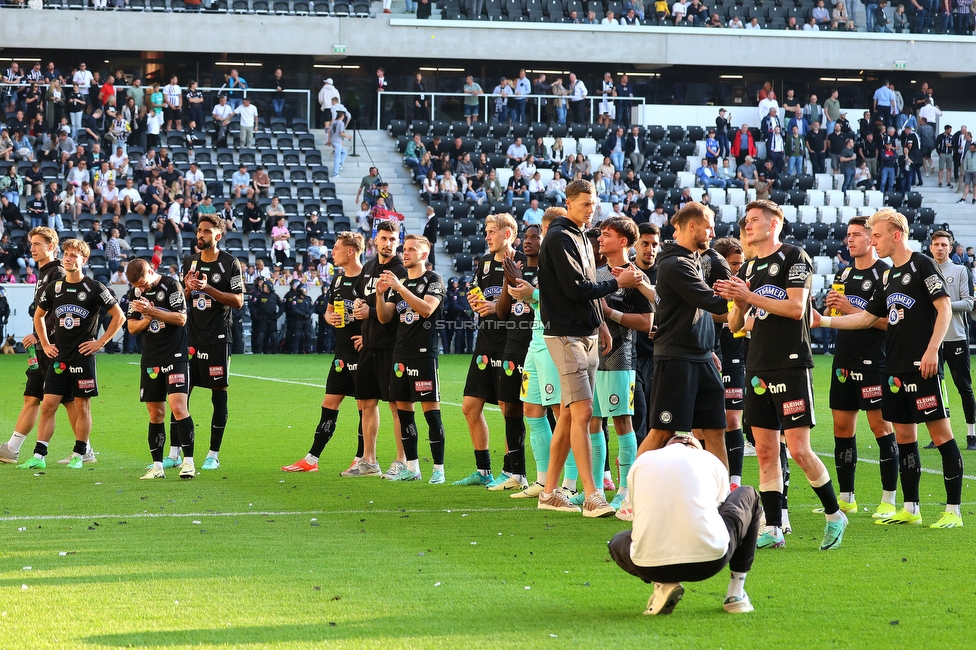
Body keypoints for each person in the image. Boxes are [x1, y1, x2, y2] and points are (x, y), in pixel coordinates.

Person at [813, 210, 964, 529]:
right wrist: (823, 320)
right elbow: (866, 318)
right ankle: (911, 507)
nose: (874, 242)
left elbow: (944, 307)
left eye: (877, 236)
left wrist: (932, 350)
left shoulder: (922, 263)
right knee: (906, 438)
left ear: (896, 235)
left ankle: (953, 510)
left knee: (941, 437)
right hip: (893, 371)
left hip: (922, 367)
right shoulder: (888, 276)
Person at [715, 200, 848, 550]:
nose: (747, 226)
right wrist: (740, 301)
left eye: (755, 220)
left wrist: (749, 296)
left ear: (774, 224)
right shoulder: (747, 269)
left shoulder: (794, 256)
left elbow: (795, 308)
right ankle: (773, 527)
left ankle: (835, 515)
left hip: (790, 364)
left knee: (800, 450)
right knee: (765, 451)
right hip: (757, 365)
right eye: (746, 221)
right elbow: (734, 326)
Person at [536, 179, 641, 517]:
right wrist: (616, 283)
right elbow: (578, 287)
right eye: (585, 203)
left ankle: (549, 491)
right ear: (568, 202)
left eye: (594, 202)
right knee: (582, 412)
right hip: (566, 334)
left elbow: (586, 288)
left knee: (569, 414)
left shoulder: (582, 236)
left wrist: (600, 324)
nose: (591, 208)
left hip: (585, 332)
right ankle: (593, 494)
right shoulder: (560, 237)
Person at [609, 434, 761, 615]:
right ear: (695, 446)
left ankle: (663, 583)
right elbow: (721, 505)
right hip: (709, 561)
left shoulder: (642, 462)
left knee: (617, 541)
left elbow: (637, 511)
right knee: (749, 494)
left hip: (648, 565)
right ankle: (736, 593)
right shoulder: (709, 459)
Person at [19, 239, 124, 471]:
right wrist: (45, 344)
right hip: (58, 357)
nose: (68, 258)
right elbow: (38, 316)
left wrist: (100, 342)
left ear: (83, 260)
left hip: (82, 358)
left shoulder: (95, 288)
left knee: (81, 405)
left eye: (74, 255)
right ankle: (39, 454)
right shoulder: (54, 287)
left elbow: (119, 316)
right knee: (48, 405)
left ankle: (79, 453)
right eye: (66, 254)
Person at [819, 217, 899, 518]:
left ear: (871, 239)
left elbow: (891, 325)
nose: (849, 240)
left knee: (881, 427)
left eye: (856, 235)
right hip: (843, 361)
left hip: (874, 362)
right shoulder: (845, 272)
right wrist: (831, 306)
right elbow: (835, 316)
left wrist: (853, 309)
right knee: (841, 427)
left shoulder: (885, 275)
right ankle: (846, 498)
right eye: (848, 235)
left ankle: (889, 500)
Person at [642, 202, 730, 470]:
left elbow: (697, 311)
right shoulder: (676, 263)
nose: (712, 233)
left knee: (715, 432)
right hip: (677, 359)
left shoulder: (692, 259)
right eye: (708, 227)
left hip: (702, 357)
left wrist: (708, 347)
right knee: (661, 432)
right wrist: (747, 296)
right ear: (692, 226)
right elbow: (713, 302)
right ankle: (631, 499)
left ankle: (721, 499)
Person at [455, 213, 526, 487]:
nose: (487, 236)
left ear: (507, 234)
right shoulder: (484, 263)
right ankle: (483, 469)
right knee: (469, 406)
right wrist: (476, 302)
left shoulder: (519, 261)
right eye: (486, 231)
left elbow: (520, 305)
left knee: (510, 407)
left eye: (492, 231)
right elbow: (480, 294)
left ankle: (511, 471)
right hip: (486, 340)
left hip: (510, 341)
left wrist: (497, 307)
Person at [0, 228, 82, 465]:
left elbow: (61, 310)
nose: (32, 248)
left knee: (62, 399)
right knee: (33, 396)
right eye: (31, 243)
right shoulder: (44, 272)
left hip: (53, 348)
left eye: (37, 244)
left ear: (51, 246)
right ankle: (12, 449)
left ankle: (83, 448)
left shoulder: (57, 271)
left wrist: (41, 338)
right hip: (43, 347)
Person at [589, 217, 654, 512]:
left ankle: (626, 489)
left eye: (607, 235)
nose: (601, 239)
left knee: (622, 422)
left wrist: (609, 313)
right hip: (591, 358)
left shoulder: (635, 277)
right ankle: (597, 488)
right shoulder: (595, 272)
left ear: (623, 242)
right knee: (592, 421)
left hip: (619, 359)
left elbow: (646, 323)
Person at [375, 234, 447, 482]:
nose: (405, 253)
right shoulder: (400, 284)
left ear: (424, 255)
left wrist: (400, 288)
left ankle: (438, 469)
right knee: (404, 412)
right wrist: (379, 295)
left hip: (423, 356)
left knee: (431, 414)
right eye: (404, 249)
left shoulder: (433, 280)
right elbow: (385, 318)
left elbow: (427, 309)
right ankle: (413, 468)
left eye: (411, 249)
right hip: (400, 355)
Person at [177, 214, 245, 471]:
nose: (200, 235)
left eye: (206, 231)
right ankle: (176, 452)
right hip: (190, 338)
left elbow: (238, 301)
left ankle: (213, 454)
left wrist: (207, 289)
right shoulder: (189, 262)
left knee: (219, 397)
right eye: (198, 230)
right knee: (180, 395)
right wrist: (186, 288)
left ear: (218, 236)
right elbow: (181, 302)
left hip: (218, 339)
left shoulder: (230, 263)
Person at [345, 220, 408, 478]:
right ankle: (368, 461)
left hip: (392, 347)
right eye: (383, 238)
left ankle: (402, 461)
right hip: (370, 346)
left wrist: (367, 312)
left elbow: (387, 314)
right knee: (366, 403)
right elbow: (360, 297)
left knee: (396, 405)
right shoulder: (369, 267)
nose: (388, 243)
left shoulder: (400, 270)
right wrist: (363, 330)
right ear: (375, 240)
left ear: (398, 241)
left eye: (392, 239)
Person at [123, 259, 196, 480]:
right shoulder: (135, 294)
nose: (141, 289)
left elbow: (181, 318)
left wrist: (153, 311)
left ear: (151, 272)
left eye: (143, 284)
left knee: (178, 407)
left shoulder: (171, 286)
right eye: (137, 286)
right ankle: (157, 467)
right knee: (156, 414)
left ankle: (189, 463)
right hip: (151, 359)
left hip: (175, 356)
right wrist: (146, 317)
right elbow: (132, 327)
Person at [927, 231, 976, 451]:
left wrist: (943, 305)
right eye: (936, 244)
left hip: (956, 337)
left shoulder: (959, 271)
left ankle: (971, 435)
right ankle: (939, 435)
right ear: (930, 248)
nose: (940, 248)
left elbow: (969, 303)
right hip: (933, 342)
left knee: (964, 387)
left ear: (950, 247)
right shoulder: (924, 272)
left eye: (944, 245)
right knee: (935, 388)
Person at [329, 109, 352, 179]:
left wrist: (329, 140)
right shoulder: (341, 123)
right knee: (337, 158)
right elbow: (341, 133)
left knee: (344, 152)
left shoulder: (333, 122)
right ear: (342, 116)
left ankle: (339, 165)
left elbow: (329, 131)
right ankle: (335, 174)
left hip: (333, 140)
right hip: (337, 141)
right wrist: (348, 137)